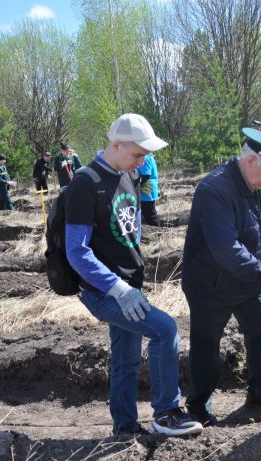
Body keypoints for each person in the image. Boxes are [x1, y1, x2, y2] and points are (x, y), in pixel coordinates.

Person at [64, 113, 202, 437]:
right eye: (137, 154)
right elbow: (76, 251)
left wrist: (133, 278)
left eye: (144, 156)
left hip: (129, 286)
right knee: (165, 330)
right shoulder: (86, 183)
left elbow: (130, 231)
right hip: (103, 291)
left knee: (126, 359)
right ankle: (166, 414)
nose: (141, 163)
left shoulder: (128, 175)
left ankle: (124, 427)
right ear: (115, 144)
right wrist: (118, 288)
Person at [181, 126, 261, 426]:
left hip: (246, 281)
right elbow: (226, 248)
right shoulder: (214, 189)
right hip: (210, 284)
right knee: (206, 345)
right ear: (250, 161)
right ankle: (198, 405)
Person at [136, 153, 160, 226]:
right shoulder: (146, 156)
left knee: (150, 215)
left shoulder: (145, 157)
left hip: (147, 190)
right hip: (147, 190)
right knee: (148, 213)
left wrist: (137, 187)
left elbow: (146, 176)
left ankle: (158, 232)